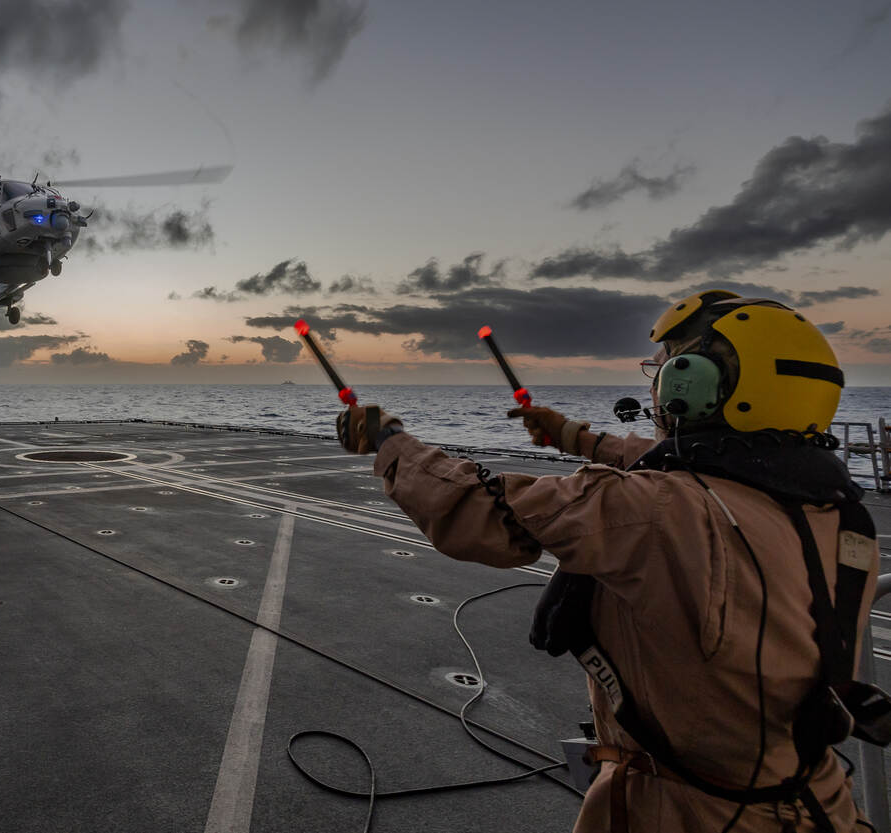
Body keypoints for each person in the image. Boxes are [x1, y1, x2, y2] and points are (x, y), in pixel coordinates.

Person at [336, 290, 880, 832]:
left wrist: (389, 442)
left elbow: (479, 511)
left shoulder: (657, 510)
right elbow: (680, 463)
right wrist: (571, 435)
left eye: (670, 369)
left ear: (707, 386)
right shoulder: (836, 513)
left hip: (686, 813)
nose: (659, 385)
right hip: (819, 803)